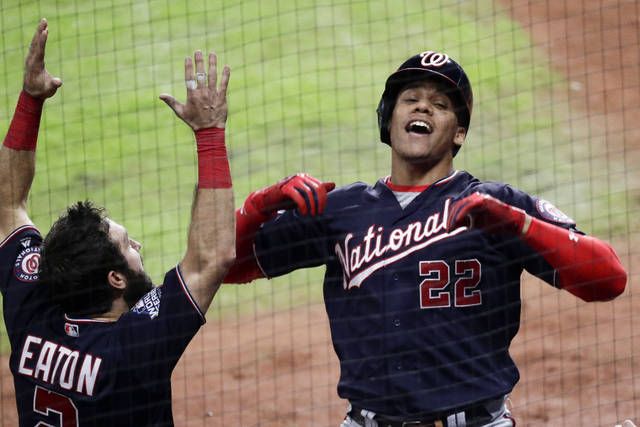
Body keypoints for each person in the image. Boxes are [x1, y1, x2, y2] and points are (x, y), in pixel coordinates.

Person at [224, 50, 628, 426]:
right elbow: (227, 266)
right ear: (388, 118)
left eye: (440, 104)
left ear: (459, 134)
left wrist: (518, 224)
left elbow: (608, 280)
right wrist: (261, 205)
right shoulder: (340, 210)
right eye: (411, 98)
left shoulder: (493, 206)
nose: (422, 107)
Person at [0, 19, 235, 426]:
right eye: (127, 246)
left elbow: (7, 203)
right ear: (116, 279)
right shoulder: (133, 350)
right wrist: (209, 133)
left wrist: (30, 99)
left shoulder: (33, 312)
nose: (138, 246)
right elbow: (211, 258)